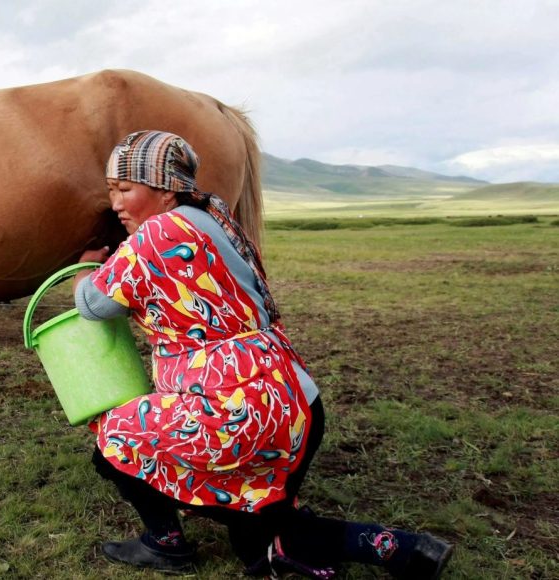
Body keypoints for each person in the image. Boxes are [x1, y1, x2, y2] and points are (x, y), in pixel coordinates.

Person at [72, 131, 452, 579]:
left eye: (126, 189)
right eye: (112, 190)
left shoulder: (159, 232)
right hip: (293, 398)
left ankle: (165, 542)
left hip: (236, 408)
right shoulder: (214, 219)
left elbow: (92, 306)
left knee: (114, 437)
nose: (116, 203)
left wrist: (88, 267)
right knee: (256, 537)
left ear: (166, 188)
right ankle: (406, 550)